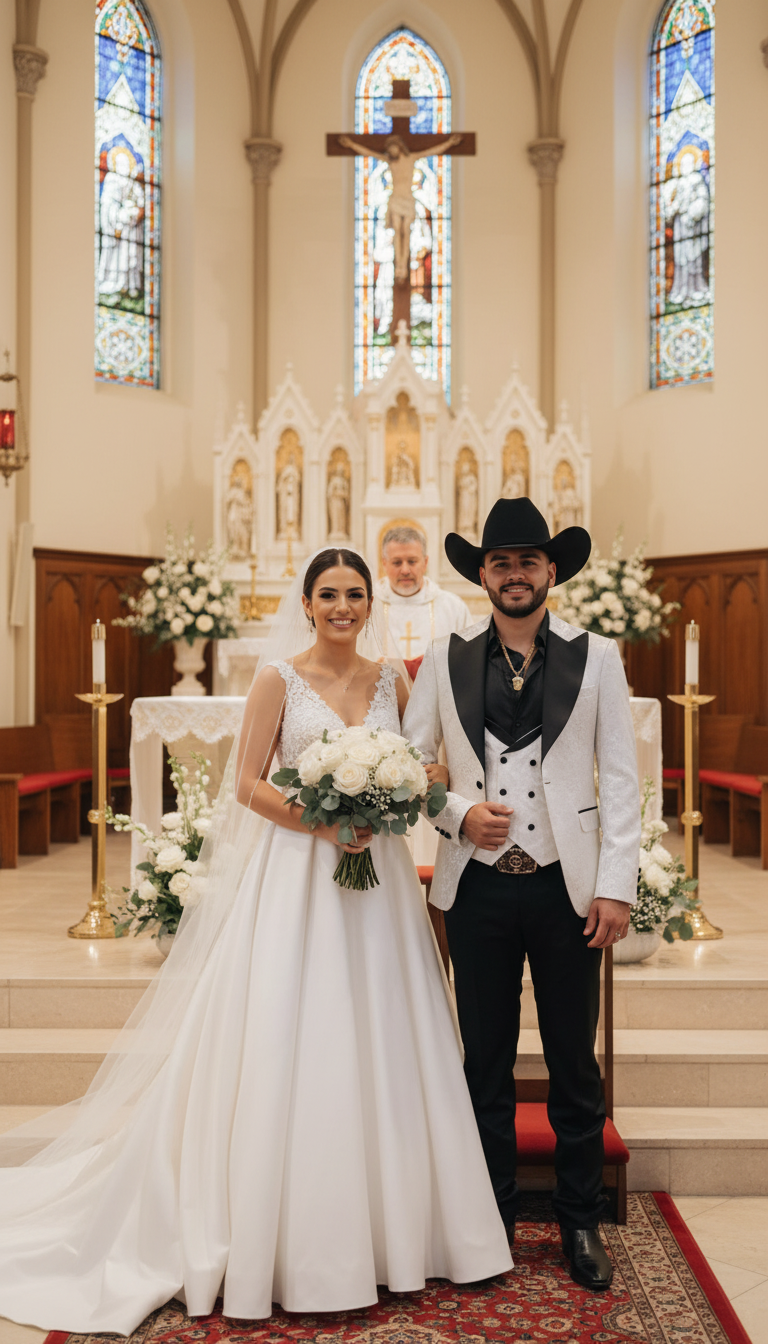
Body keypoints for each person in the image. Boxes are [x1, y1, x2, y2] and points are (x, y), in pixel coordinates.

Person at [0, 547, 512, 1336]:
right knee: (292, 1032)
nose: (343, 606)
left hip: (376, 878)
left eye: (355, 595)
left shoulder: (392, 680)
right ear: (306, 603)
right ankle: (285, 1233)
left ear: (370, 603)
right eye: (329, 595)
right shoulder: (278, 677)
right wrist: (325, 820)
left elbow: (423, 761)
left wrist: (388, 799)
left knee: (385, 1028)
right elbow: (247, 784)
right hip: (298, 875)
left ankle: (398, 1229)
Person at [402, 498, 641, 1292]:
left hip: (568, 893)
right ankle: (490, 1224)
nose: (514, 574)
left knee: (575, 1064)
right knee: (486, 1068)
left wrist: (615, 886)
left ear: (550, 571)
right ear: (481, 574)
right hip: (477, 894)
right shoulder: (444, 656)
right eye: (500, 562)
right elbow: (407, 769)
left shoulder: (597, 655)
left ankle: (578, 1224)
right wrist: (456, 813)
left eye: (527, 561)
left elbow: (623, 781)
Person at [375, 525, 473, 676]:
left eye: (412, 561)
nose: (405, 570)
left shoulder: (453, 608)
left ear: (425, 562)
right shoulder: (370, 607)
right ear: (384, 564)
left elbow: (469, 661)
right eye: (397, 562)